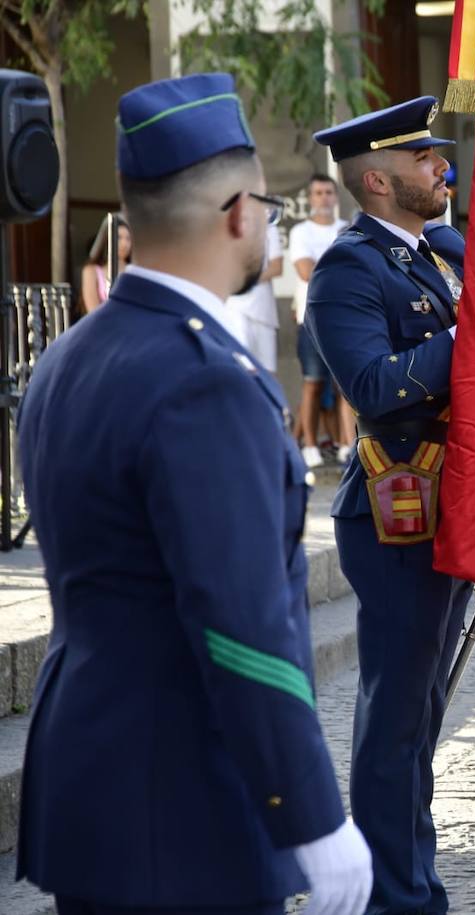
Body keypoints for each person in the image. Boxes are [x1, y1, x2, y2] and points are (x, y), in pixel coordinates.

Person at [16, 72, 370, 915]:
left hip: (93, 783)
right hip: (184, 799)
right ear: (239, 213)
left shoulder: (70, 356)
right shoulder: (201, 379)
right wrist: (312, 818)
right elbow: (243, 626)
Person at [309, 96, 475, 915]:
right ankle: (392, 897)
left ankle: (414, 883)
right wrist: (468, 335)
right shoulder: (348, 269)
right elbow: (373, 384)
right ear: (377, 179)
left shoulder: (437, 251)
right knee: (395, 719)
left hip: (457, 501)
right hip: (396, 508)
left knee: (422, 715)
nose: (442, 166)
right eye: (424, 159)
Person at [289, 173, 349, 468]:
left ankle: (345, 445)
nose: (323, 198)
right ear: (310, 198)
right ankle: (310, 445)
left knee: (343, 386)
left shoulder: (348, 230)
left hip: (345, 320)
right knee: (312, 383)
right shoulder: (300, 232)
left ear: (336, 197)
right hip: (310, 318)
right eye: (318, 193)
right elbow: (304, 272)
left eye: (328, 192)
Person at [225, 221, 283, 372]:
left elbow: (276, 267)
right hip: (233, 308)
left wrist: (244, 282)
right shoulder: (222, 224)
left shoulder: (269, 226)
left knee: (267, 372)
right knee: (240, 368)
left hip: (262, 310)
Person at [79, 216, 131, 314]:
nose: (125, 243)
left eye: (128, 238)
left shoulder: (134, 270)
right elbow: (92, 309)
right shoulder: (91, 271)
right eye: (119, 238)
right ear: (107, 239)